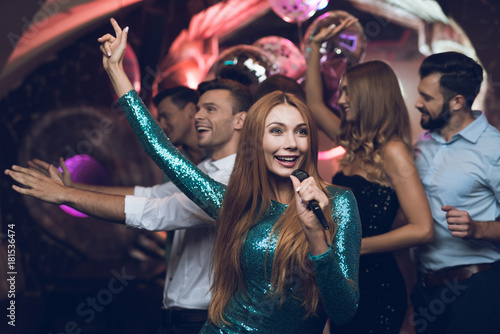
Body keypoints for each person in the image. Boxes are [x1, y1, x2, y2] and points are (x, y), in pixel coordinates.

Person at [90, 18, 361, 333]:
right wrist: (115, 71)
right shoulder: (238, 200)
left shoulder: (338, 203)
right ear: (256, 138)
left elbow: (342, 312)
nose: (290, 143)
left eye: (300, 131)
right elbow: (161, 150)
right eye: (276, 131)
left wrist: (316, 235)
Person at [6, 76, 252, 334]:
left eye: (210, 109)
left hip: (208, 321)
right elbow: (151, 194)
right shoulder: (206, 169)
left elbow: (154, 213)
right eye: (199, 108)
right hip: (179, 317)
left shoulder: (236, 180)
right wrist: (72, 187)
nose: (198, 116)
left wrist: (65, 196)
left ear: (240, 120)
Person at [305, 20, 434, 334]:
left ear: (369, 95)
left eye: (348, 91)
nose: (342, 98)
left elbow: (423, 230)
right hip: (346, 279)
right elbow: (314, 105)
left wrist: (355, 246)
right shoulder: (355, 144)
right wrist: (314, 49)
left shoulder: (393, 151)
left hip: (378, 285)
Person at [410, 51, 500, 334]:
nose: (417, 103)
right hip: (424, 289)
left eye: (427, 97)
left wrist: (479, 228)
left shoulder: (494, 148)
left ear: (457, 101)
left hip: (476, 289)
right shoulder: (422, 142)